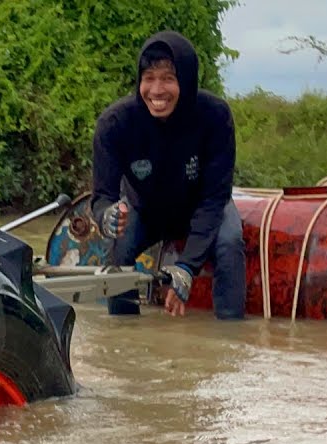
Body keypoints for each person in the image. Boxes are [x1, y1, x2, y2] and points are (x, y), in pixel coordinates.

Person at [90, 30, 246, 319]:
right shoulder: (115, 124)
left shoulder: (215, 116)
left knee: (230, 243)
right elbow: (102, 197)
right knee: (118, 251)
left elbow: (215, 199)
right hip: (145, 208)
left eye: (168, 79)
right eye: (148, 78)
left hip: (203, 206)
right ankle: (122, 341)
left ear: (186, 82)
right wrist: (106, 217)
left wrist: (186, 267)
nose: (156, 91)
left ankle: (231, 336)